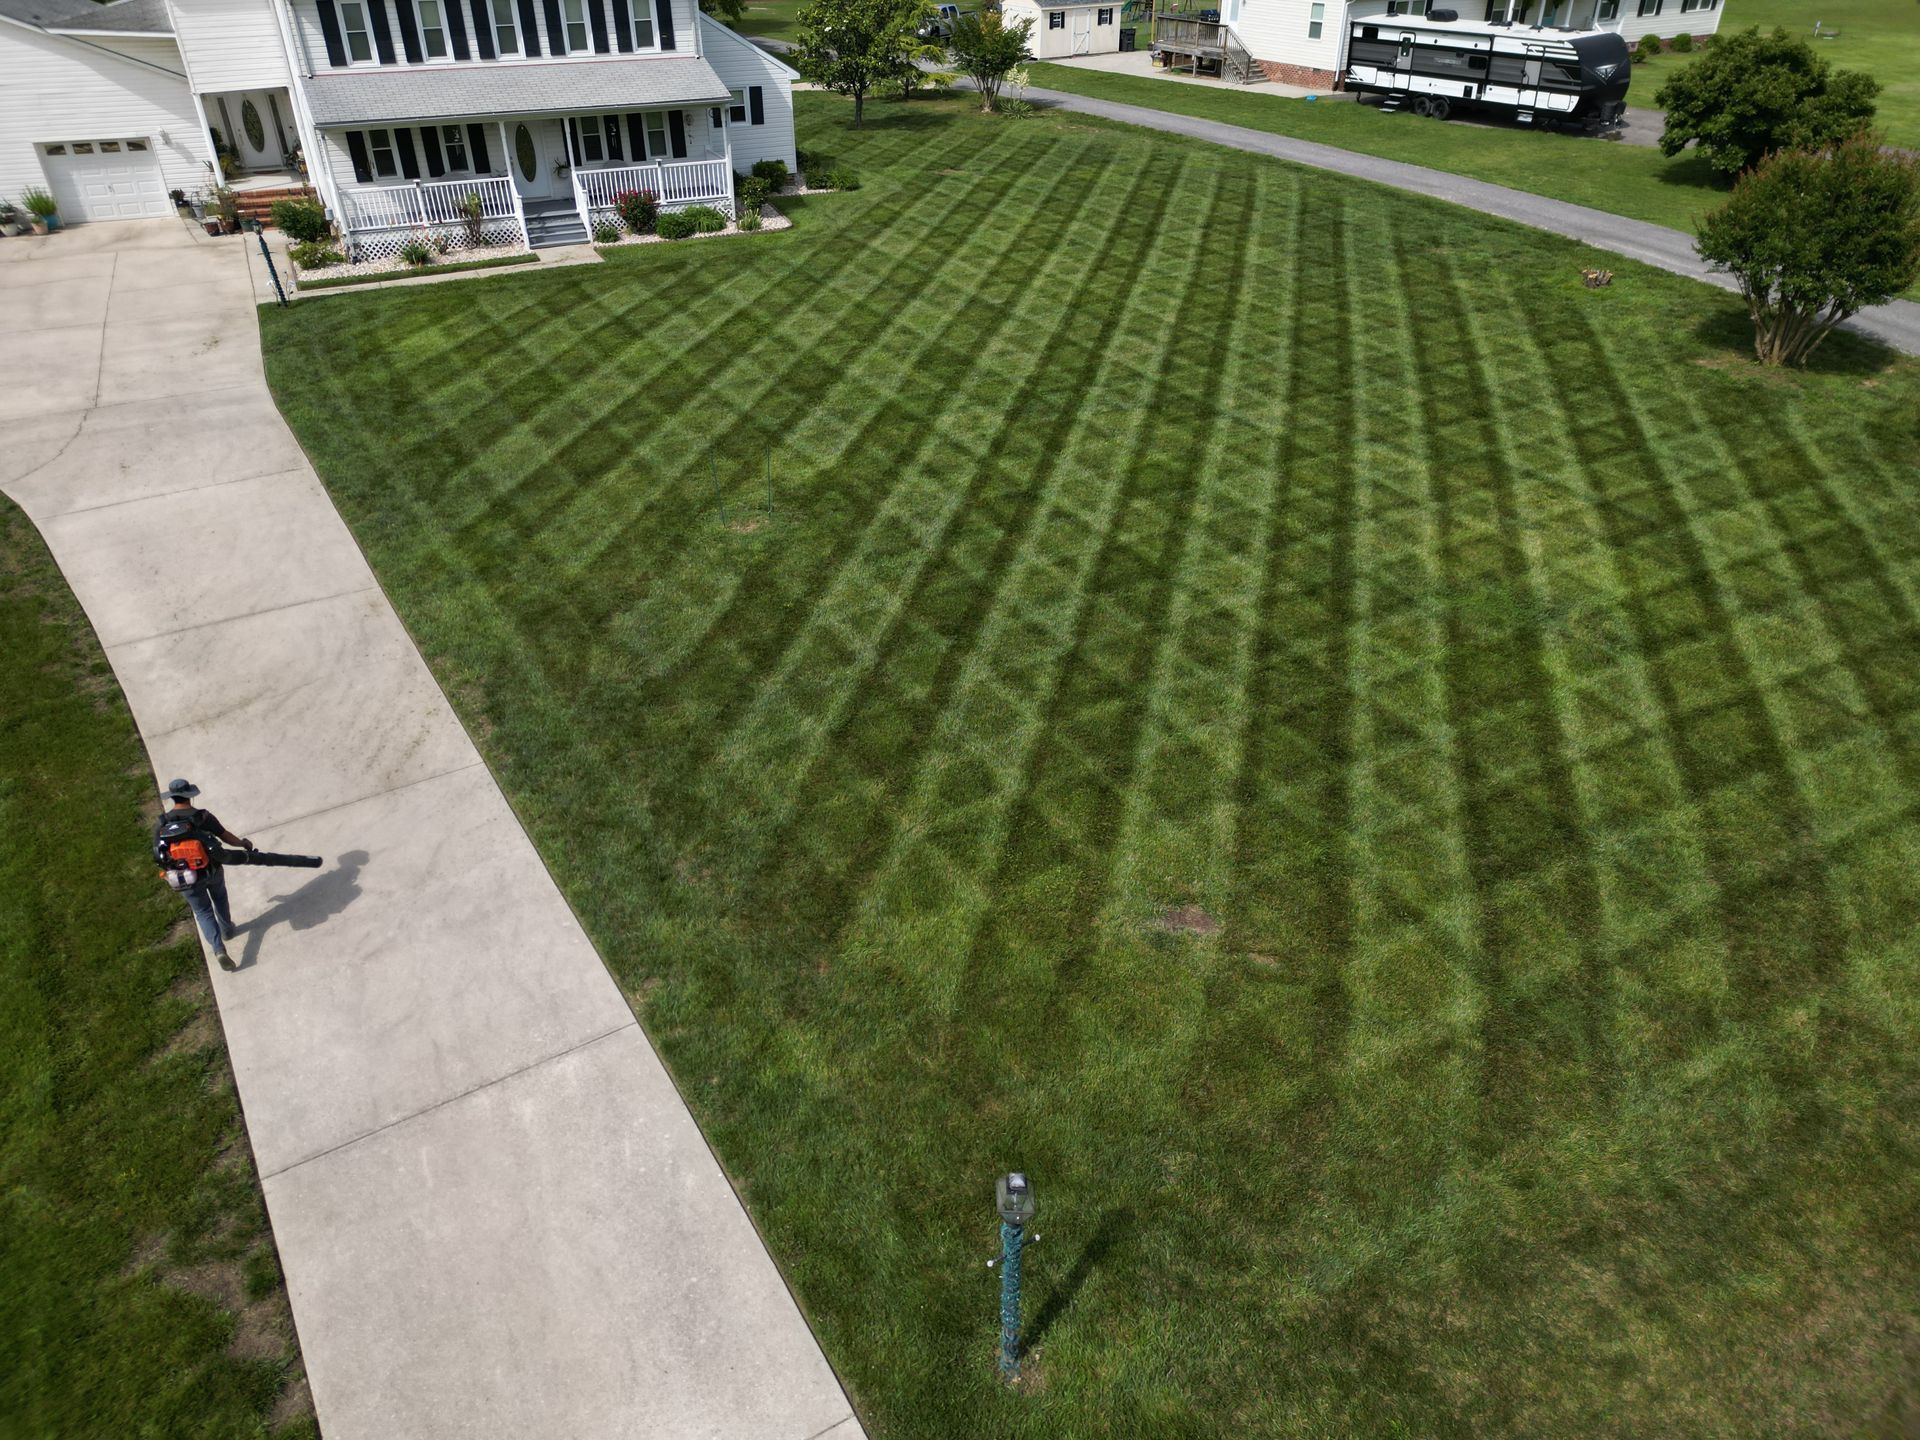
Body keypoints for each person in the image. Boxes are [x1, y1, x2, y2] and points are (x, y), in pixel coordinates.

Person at [153, 778, 255, 971]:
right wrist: (243, 844)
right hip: (212, 870)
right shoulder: (203, 816)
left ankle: (218, 949)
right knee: (220, 898)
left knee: (202, 912)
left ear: (172, 797)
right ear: (189, 796)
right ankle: (227, 930)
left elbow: (157, 853)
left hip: (185, 878)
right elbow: (226, 836)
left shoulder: (162, 823)